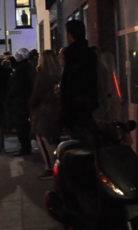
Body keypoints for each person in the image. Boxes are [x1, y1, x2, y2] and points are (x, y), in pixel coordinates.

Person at [58, 19, 98, 142]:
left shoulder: (72, 56)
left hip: (76, 112)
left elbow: (71, 86)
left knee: (79, 144)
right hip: (88, 109)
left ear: (70, 35)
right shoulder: (90, 54)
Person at [30, 49, 61, 179]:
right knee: (53, 139)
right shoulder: (58, 74)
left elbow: (37, 94)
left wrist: (31, 105)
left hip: (43, 110)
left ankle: (50, 168)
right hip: (55, 108)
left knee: (42, 138)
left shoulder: (42, 76)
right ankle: (57, 165)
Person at [6, 48, 36, 156]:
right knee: (23, 125)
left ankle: (25, 148)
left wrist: (9, 96)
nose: (16, 56)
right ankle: (25, 147)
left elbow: (17, 86)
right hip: (23, 100)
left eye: (17, 54)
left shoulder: (20, 69)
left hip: (19, 101)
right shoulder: (26, 67)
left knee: (21, 125)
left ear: (22, 56)